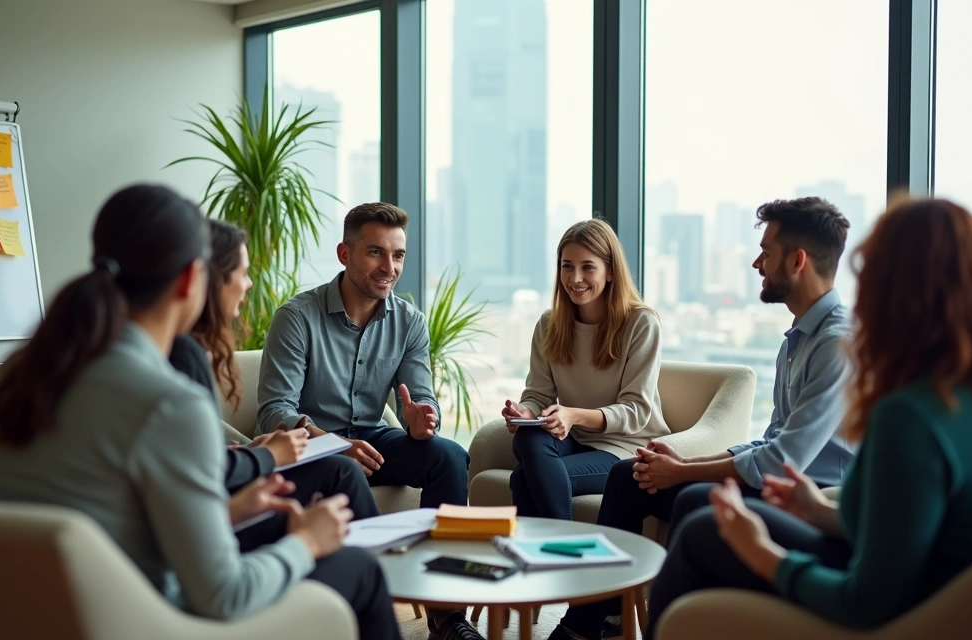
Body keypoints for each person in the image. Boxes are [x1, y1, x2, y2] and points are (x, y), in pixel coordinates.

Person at [0, 185, 399, 640]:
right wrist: (307, 541)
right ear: (189, 279)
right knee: (356, 568)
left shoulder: (20, 377)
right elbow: (225, 597)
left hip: (36, 619)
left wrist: (226, 515)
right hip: (145, 622)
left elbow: (111, 520)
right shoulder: (167, 401)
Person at [641, 197, 972, 638]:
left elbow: (865, 601)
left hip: (920, 615)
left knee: (705, 532)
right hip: (955, 597)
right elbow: (915, 531)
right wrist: (816, 511)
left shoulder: (912, 416)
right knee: (702, 510)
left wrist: (763, 552)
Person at [551, 196, 856, 640]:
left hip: (814, 497)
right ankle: (601, 620)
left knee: (695, 503)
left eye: (766, 253)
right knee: (627, 477)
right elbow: (770, 439)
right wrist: (678, 466)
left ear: (798, 260)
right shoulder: (796, 342)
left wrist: (681, 472)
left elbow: (783, 459)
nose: (756, 262)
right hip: (778, 484)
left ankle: (650, 627)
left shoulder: (835, 343)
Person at [257, 201, 478, 639]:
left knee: (449, 456)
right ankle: (360, 605)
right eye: (376, 252)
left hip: (374, 437)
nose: (389, 267)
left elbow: (421, 399)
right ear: (345, 254)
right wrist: (334, 443)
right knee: (342, 464)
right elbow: (273, 411)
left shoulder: (410, 322)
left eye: (397, 255)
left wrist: (421, 422)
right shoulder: (297, 318)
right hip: (311, 448)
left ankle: (447, 613)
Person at [167, 218, 380, 550]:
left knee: (433, 456)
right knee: (342, 475)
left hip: (215, 491)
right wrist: (266, 456)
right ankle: (376, 572)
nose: (250, 284)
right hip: (203, 519)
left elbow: (192, 456)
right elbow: (197, 473)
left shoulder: (173, 351)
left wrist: (251, 451)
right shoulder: (178, 356)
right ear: (204, 280)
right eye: (243, 273)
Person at [501, 219, 670, 521]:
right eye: (567, 266)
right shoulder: (549, 324)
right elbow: (538, 394)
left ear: (610, 272)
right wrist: (525, 412)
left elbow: (636, 410)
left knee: (523, 479)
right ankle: (551, 557)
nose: (575, 278)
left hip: (624, 448)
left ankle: (553, 553)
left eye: (588, 267)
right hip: (572, 439)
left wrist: (573, 415)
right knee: (526, 439)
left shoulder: (641, 323)